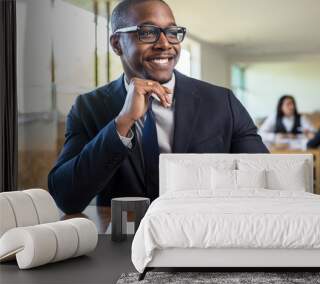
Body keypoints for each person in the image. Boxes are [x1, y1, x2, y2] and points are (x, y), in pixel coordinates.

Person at [48, 0, 267, 214]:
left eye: (172, 32)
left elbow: (265, 180)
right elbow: (67, 197)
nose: (165, 43)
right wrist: (122, 122)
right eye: (148, 32)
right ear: (116, 44)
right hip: (126, 241)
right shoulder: (89, 107)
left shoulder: (222, 102)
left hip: (205, 235)